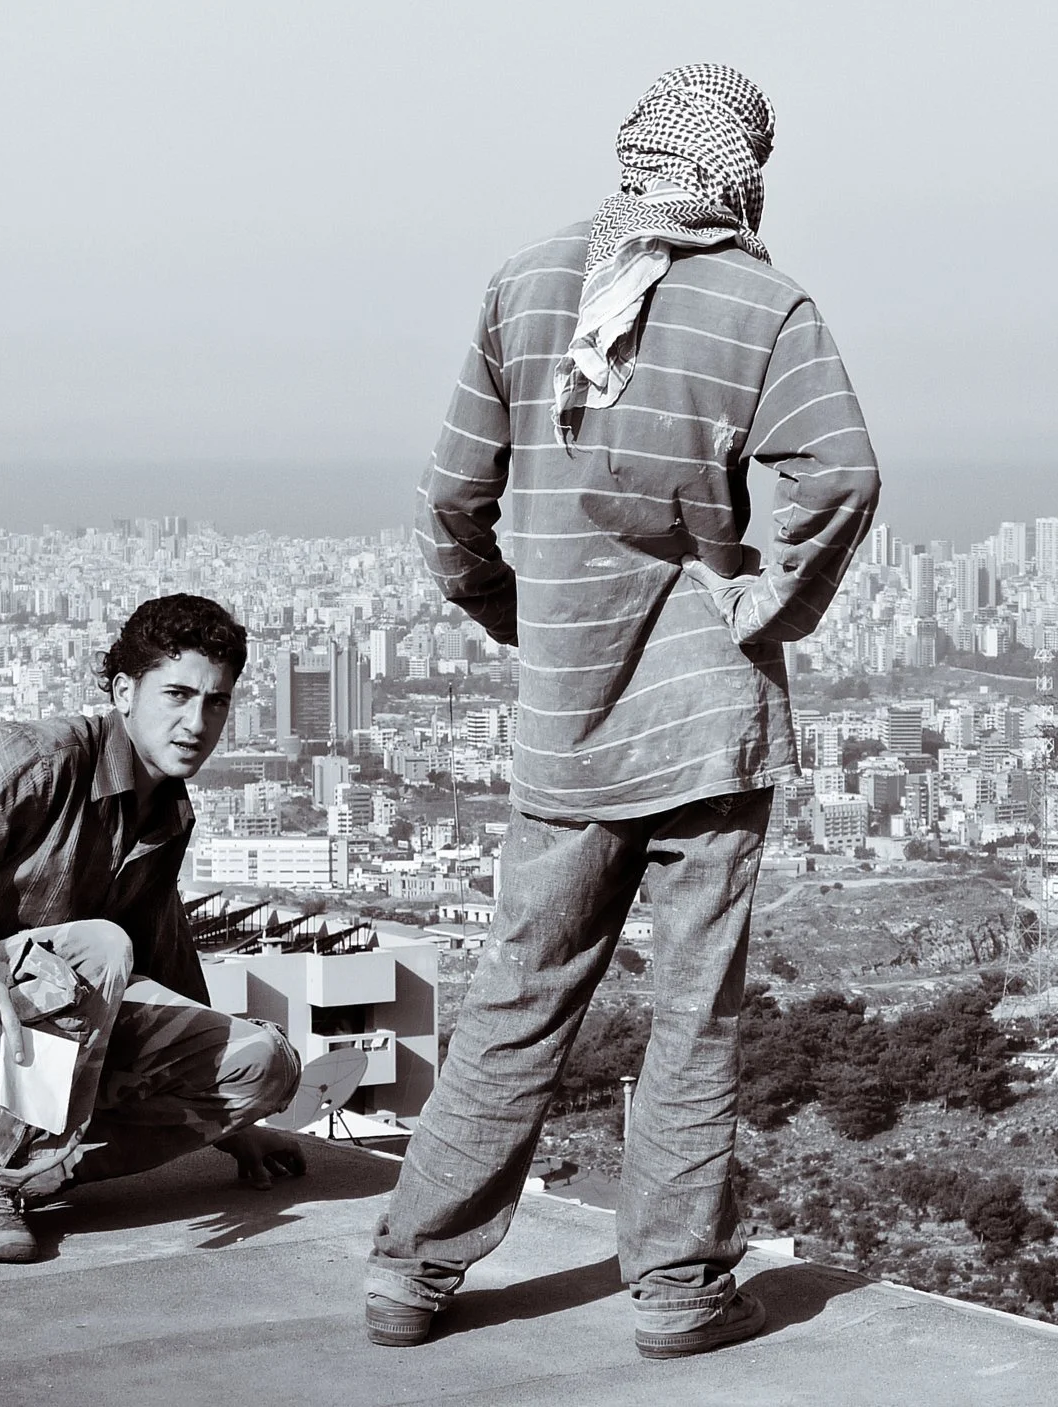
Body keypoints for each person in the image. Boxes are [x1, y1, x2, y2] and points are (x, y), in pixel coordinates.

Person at [365, 63, 878, 1358]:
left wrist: (522, 622)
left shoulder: (527, 285)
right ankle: (675, 1289)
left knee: (517, 996)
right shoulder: (763, 302)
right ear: (742, 164)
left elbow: (448, 504)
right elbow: (843, 474)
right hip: (706, 727)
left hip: (566, 723)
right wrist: (767, 603)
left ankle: (413, 1271)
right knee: (694, 1016)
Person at [0, 593, 303, 1262]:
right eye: (176, 695)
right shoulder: (47, 757)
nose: (196, 722)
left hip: (52, 1032)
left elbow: (167, 966)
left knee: (265, 1063)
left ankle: (31, 1174)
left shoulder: (166, 813)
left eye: (216, 702)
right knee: (98, 946)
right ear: (124, 691)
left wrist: (230, 1122)